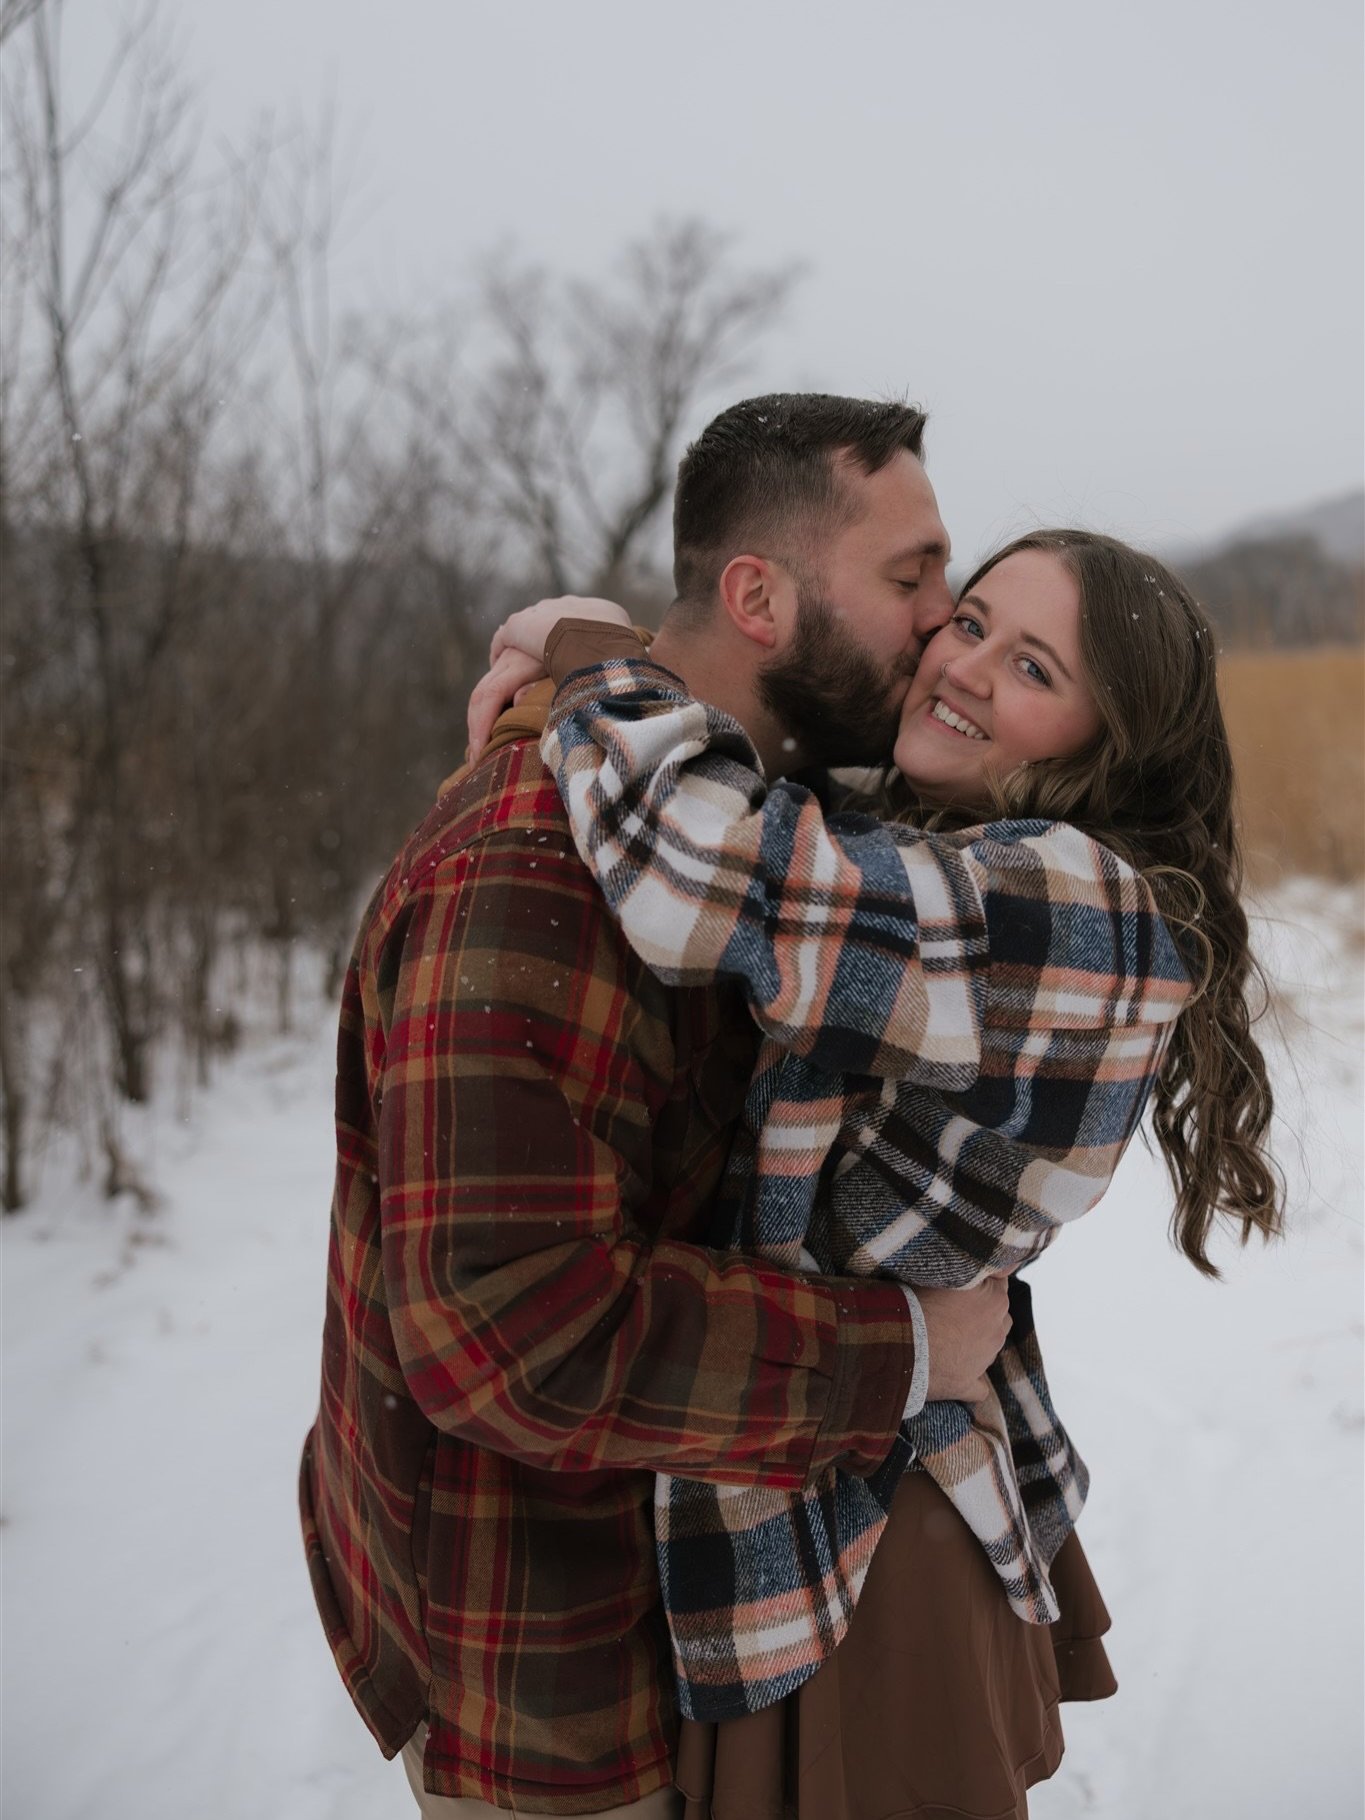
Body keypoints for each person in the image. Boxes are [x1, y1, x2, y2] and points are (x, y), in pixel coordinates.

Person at [477, 525, 1282, 1818]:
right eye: (963, 621)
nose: (961, 668)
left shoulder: (1073, 908)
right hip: (827, 1479)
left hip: (868, 1545)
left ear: (1104, 740)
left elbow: (703, 868)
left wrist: (585, 655)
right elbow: (778, 781)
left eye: (1029, 666)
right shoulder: (947, 837)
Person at [299, 394, 1019, 1819]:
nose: (942, 624)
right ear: (756, 596)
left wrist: (573, 647)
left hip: (690, 1629)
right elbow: (504, 1328)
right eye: (908, 577)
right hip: (552, 1688)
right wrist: (892, 1353)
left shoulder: (736, 829)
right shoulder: (534, 867)